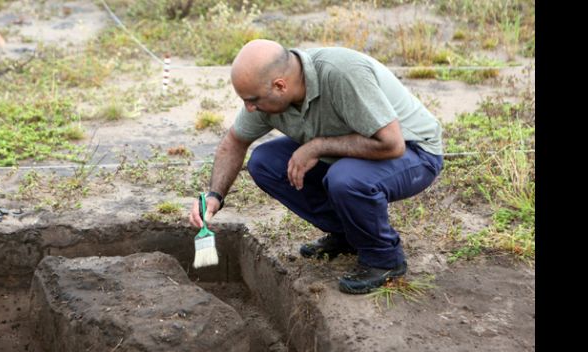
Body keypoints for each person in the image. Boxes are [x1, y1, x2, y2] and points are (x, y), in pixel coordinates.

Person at [188, 39, 443, 294]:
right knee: (265, 163)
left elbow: (391, 144)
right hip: (352, 154)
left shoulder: (341, 74)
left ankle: (384, 259)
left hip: (414, 152)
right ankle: (348, 235)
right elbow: (235, 141)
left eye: (253, 100)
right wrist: (215, 196)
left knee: (345, 179)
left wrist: (317, 146)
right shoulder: (266, 93)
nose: (249, 108)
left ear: (280, 86)